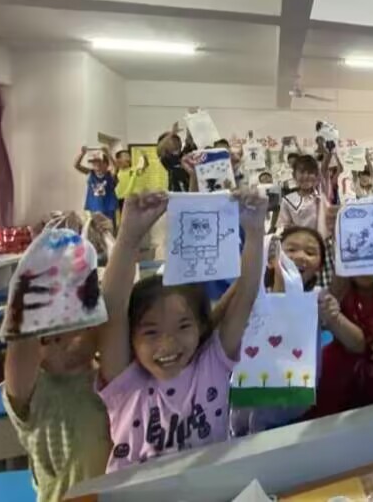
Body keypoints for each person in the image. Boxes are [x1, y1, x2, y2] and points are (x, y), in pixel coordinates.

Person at [96, 189, 267, 471]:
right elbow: (112, 310)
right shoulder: (125, 383)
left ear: (201, 326)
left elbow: (246, 295)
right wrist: (128, 236)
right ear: (131, 337)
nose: (168, 344)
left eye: (183, 326)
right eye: (151, 332)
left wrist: (255, 231)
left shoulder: (212, 365)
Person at [230, 226, 328, 435]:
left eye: (310, 252)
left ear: (320, 266)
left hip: (294, 410)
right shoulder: (255, 297)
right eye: (291, 250)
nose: (300, 256)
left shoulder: (317, 300)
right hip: (246, 409)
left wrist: (332, 313)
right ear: (273, 256)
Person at [2, 319, 111, 501]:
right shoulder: (36, 392)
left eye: (76, 328)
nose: (64, 343)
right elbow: (21, 341)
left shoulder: (114, 375)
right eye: (48, 338)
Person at [304, 275, 373, 419]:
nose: (365, 272)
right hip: (340, 372)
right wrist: (333, 316)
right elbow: (358, 344)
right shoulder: (337, 290)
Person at [277, 155, 327, 237]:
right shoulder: (288, 201)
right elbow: (283, 227)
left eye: (310, 172)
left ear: (316, 176)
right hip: (298, 242)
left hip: (319, 243)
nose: (306, 176)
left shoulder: (322, 199)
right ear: (294, 175)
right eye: (302, 172)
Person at [74, 146, 118, 224]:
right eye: (94, 162)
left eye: (99, 162)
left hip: (108, 208)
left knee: (109, 228)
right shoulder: (91, 173)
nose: (96, 164)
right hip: (93, 208)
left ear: (106, 164)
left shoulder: (110, 174)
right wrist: (82, 154)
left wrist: (108, 153)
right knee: (94, 229)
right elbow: (76, 165)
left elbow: (115, 167)